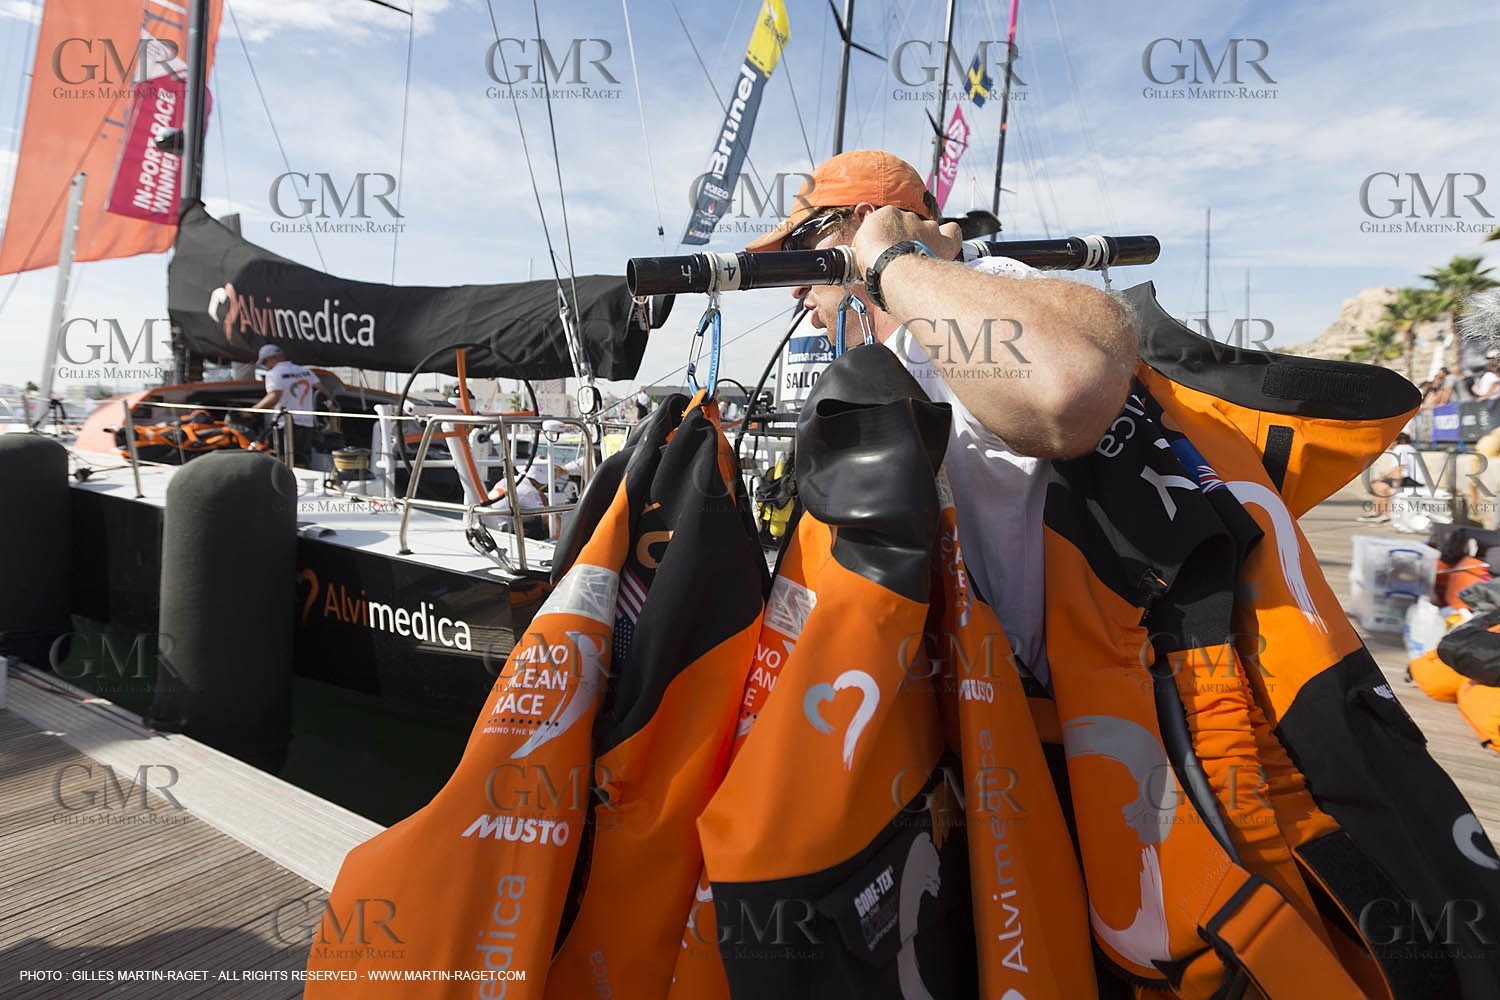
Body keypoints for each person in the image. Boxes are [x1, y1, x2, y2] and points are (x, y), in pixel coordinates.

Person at [745, 149, 1136, 681]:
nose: (792, 284)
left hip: (1027, 711)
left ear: (864, 221)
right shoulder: (883, 355)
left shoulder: (981, 282)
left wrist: (892, 258)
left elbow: (1068, 387)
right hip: (935, 704)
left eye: (801, 244)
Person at [249, 344, 326, 463]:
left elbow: (274, 396)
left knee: (283, 459)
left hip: (286, 424)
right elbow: (322, 391)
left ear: (273, 358)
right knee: (302, 459)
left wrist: (252, 411)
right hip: (307, 423)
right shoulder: (305, 371)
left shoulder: (274, 373)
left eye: (265, 362)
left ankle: (285, 480)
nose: (266, 366)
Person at [1360, 431, 1426, 524]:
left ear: (1397, 442)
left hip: (1414, 480)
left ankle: (1385, 515)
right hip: (1414, 479)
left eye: (1390, 441)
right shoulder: (1407, 448)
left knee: (1381, 487)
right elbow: (1397, 470)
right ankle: (1376, 513)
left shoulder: (1399, 448)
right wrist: (1383, 478)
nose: (1387, 444)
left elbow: (1399, 469)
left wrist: (1396, 485)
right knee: (1377, 484)